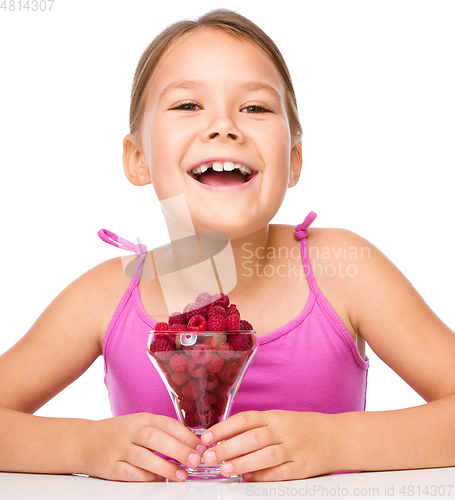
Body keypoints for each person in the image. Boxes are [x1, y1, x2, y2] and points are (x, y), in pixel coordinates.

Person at [1, 8, 454, 484]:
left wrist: (336, 441)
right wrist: (82, 446)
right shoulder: (105, 296)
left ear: (294, 160)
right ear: (137, 159)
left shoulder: (344, 270)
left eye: (255, 108)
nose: (224, 126)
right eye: (187, 106)